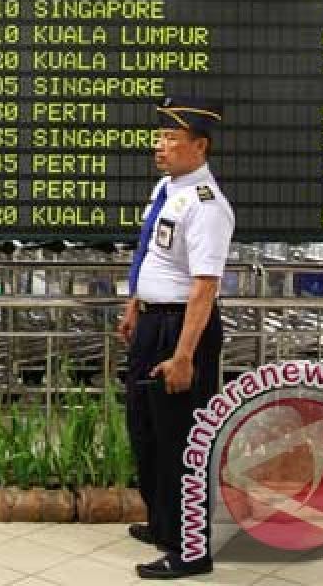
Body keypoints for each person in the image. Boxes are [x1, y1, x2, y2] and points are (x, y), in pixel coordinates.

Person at [117, 96, 234, 579]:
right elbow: (155, 257)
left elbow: (205, 287)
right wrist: (134, 304)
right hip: (152, 322)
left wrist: (184, 355)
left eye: (172, 140)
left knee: (182, 441)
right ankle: (165, 523)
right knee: (146, 431)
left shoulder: (208, 207)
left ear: (200, 147)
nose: (160, 147)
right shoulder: (168, 188)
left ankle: (192, 550)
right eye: (159, 138)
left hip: (181, 330)